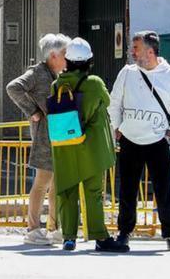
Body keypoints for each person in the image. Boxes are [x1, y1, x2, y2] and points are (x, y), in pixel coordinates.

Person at [109, 31, 170, 250]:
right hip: (129, 140)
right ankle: (124, 233)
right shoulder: (126, 73)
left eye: (135, 48)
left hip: (157, 141)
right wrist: (116, 128)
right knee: (127, 190)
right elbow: (114, 102)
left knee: (164, 191)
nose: (131, 52)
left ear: (150, 51)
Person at [50, 38, 126, 252]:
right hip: (90, 148)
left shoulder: (57, 84)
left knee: (67, 192)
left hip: (65, 146)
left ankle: (69, 237)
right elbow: (108, 102)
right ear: (88, 61)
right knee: (93, 193)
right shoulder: (94, 83)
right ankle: (99, 236)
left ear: (68, 60)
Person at [6, 33, 70, 245]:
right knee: (43, 183)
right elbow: (13, 87)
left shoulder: (57, 73)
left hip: (57, 133)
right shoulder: (37, 73)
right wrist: (32, 110)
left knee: (56, 184)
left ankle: (53, 227)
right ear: (53, 55)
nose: (67, 58)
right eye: (64, 54)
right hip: (44, 135)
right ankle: (33, 229)